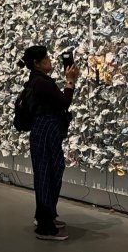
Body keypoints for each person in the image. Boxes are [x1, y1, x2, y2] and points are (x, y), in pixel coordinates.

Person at [19, 45, 78, 241]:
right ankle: (45, 227)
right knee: (48, 174)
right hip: (45, 131)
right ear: (37, 63)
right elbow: (63, 102)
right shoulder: (41, 83)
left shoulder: (38, 80)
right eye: (46, 58)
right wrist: (70, 81)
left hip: (44, 131)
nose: (50, 61)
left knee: (49, 172)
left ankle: (46, 216)